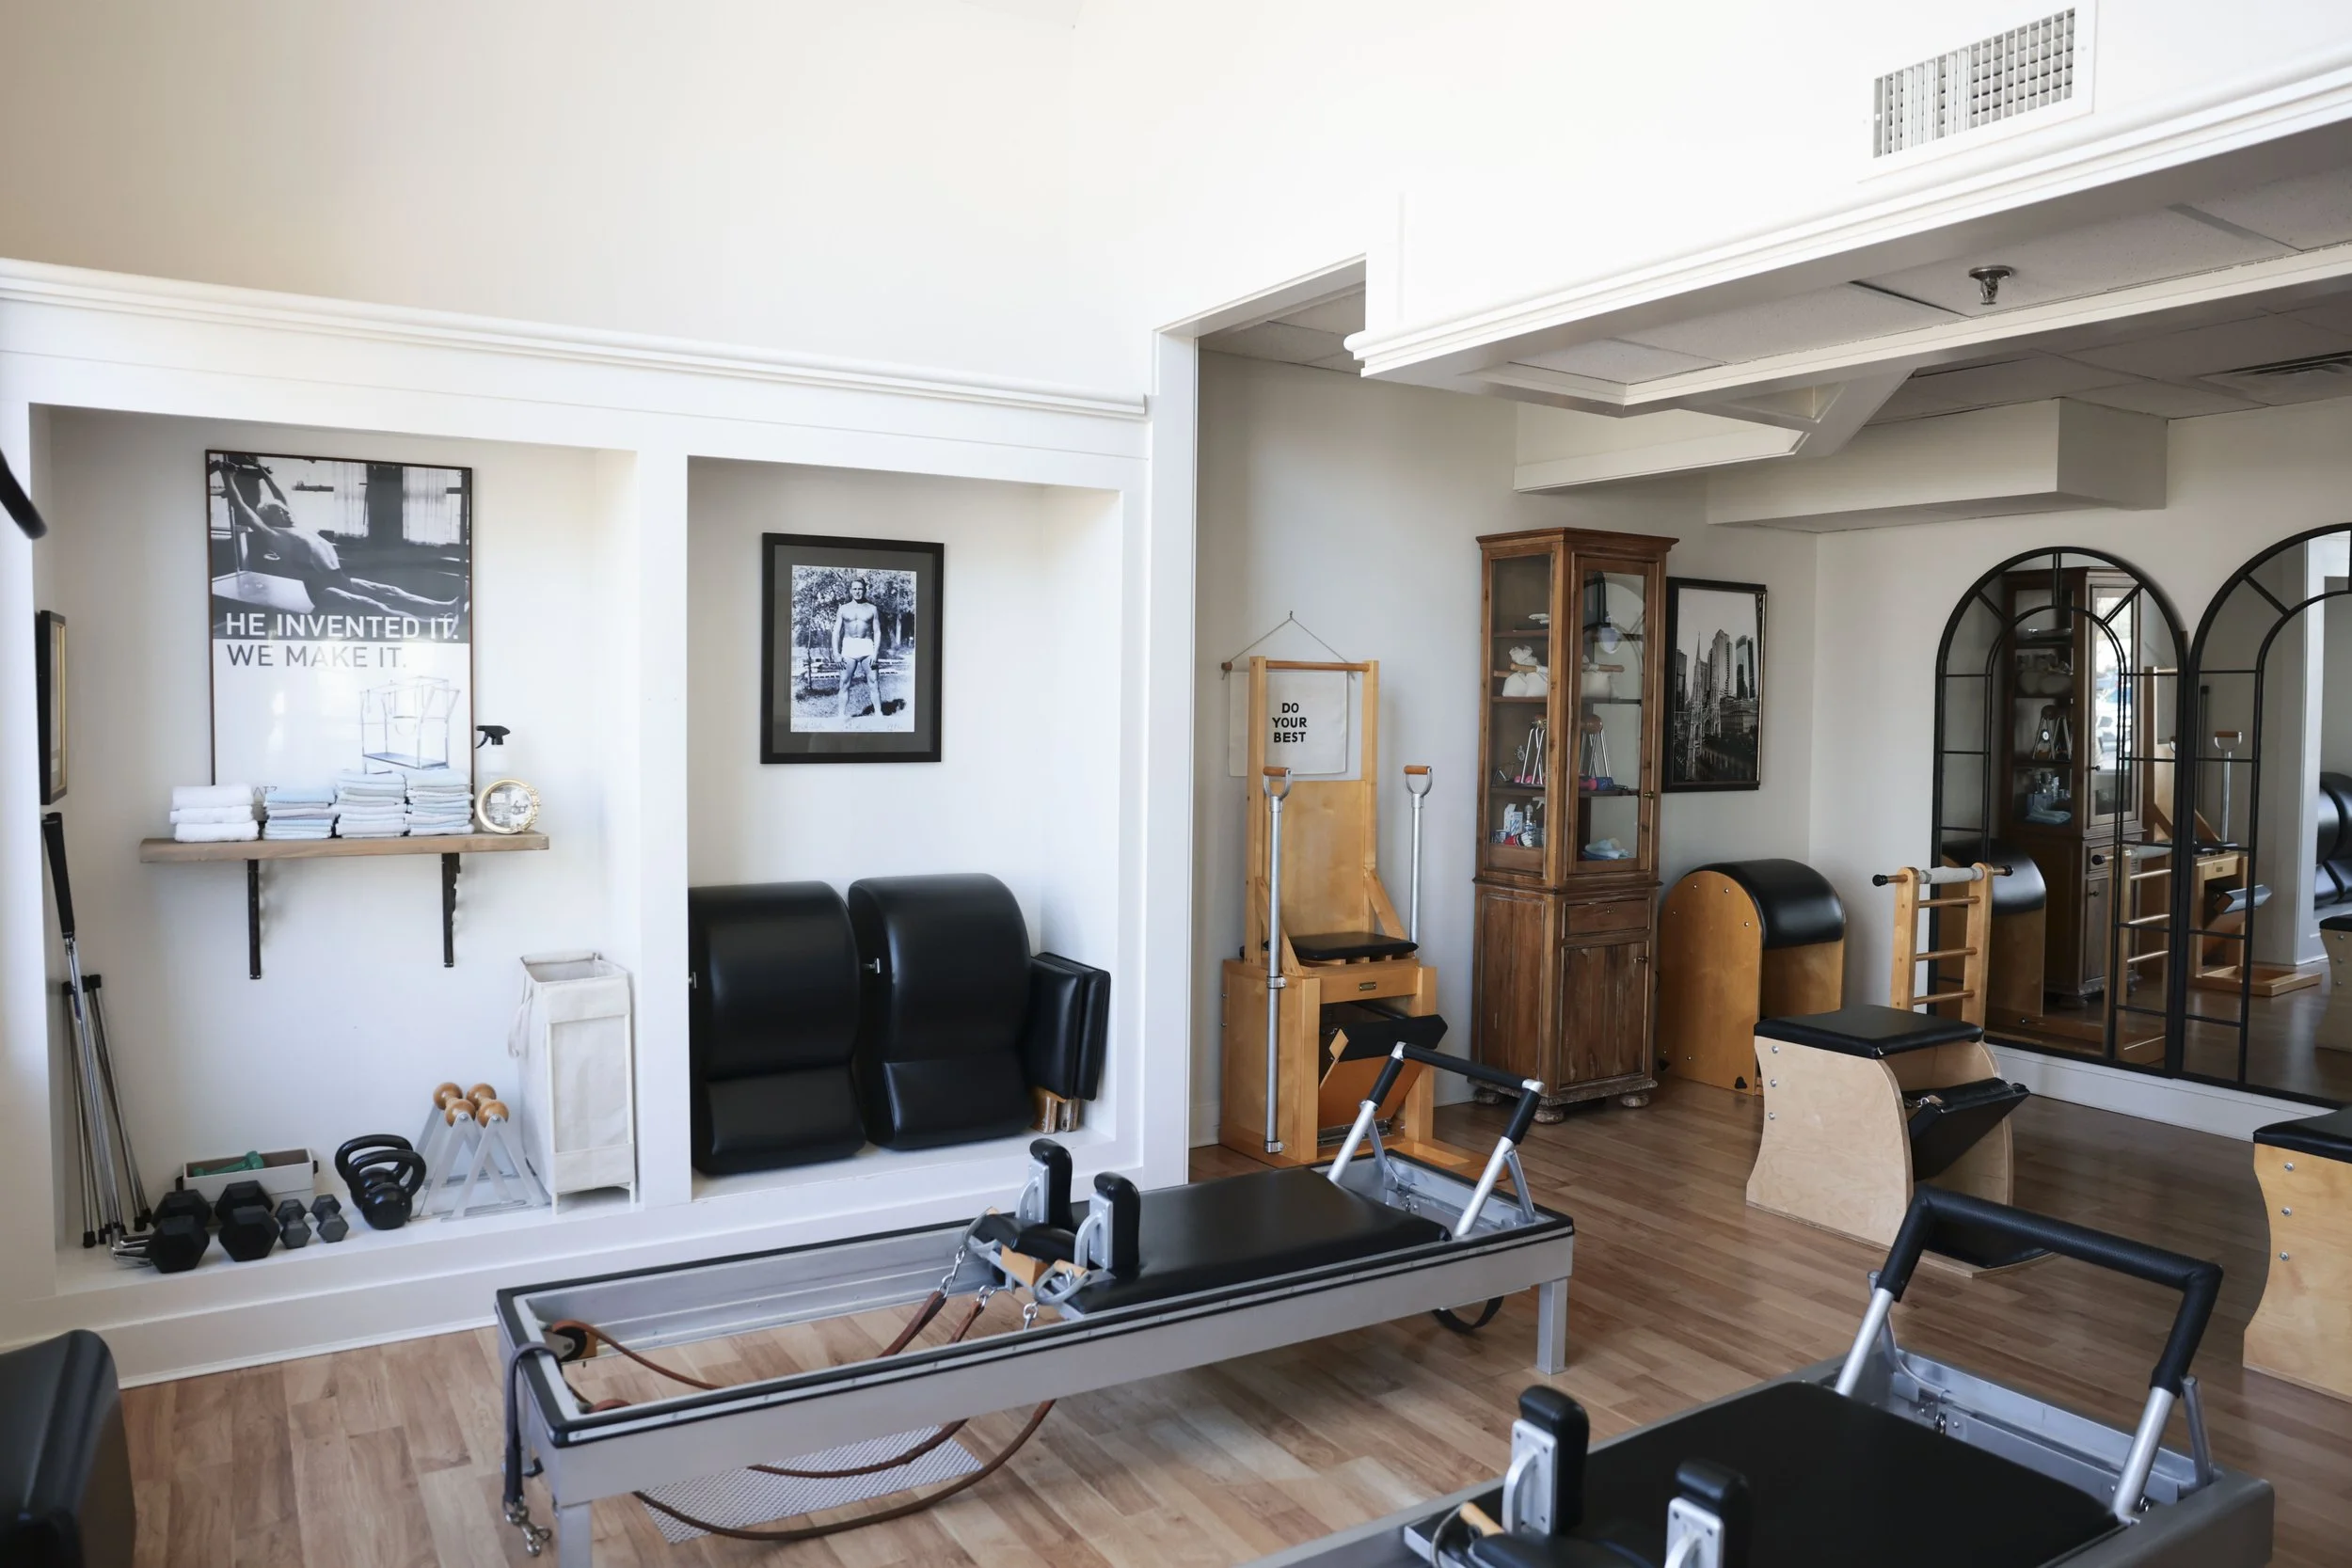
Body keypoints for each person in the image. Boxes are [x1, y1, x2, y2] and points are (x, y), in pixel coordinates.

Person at [212, 453, 458, 621]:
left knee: (392, 591)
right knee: (376, 607)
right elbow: (242, 508)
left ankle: (444, 608)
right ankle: (430, 625)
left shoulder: (299, 527)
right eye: (280, 511)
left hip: (340, 578)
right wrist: (227, 477)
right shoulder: (274, 535)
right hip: (321, 591)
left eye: (285, 509)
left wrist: (265, 475)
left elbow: (281, 498)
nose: (286, 511)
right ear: (270, 519)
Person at [834, 576, 882, 720]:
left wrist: (876, 653)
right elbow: (836, 632)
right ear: (850, 590)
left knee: (873, 681)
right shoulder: (843, 609)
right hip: (849, 646)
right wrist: (836, 653)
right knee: (844, 682)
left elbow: (877, 632)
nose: (857, 591)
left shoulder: (872, 609)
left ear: (865, 590)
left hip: (866, 645)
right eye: (854, 589)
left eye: (860, 589)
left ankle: (879, 714)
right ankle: (841, 716)